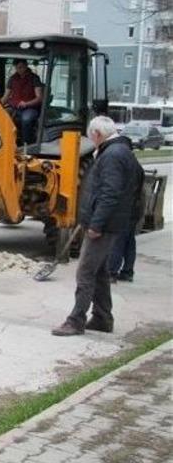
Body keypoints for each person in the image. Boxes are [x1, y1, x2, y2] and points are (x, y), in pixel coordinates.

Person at [52, 116, 143, 336]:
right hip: (111, 222)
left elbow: (109, 194)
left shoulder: (112, 155)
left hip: (104, 225)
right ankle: (103, 318)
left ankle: (76, 320)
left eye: (91, 136)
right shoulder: (121, 151)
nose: (90, 140)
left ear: (98, 135)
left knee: (85, 272)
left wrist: (96, 224)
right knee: (100, 271)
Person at [107, 168, 145, 283]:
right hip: (135, 208)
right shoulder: (136, 167)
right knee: (129, 240)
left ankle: (112, 272)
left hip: (126, 208)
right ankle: (127, 272)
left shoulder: (124, 166)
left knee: (118, 240)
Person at [0, 59, 44, 145]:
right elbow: (6, 96)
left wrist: (26, 104)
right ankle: (6, 142)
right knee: (2, 115)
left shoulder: (34, 78)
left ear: (26, 66)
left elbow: (39, 98)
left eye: (21, 67)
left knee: (26, 119)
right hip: (14, 107)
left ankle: (26, 144)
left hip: (30, 108)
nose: (19, 70)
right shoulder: (12, 79)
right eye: (17, 68)